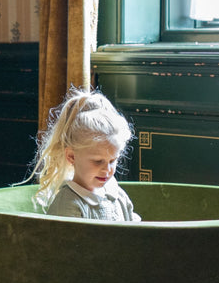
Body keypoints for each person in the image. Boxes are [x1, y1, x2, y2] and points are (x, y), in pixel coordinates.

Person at [27, 87, 141, 221]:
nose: (107, 169)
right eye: (98, 161)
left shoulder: (116, 193)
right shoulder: (69, 204)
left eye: (112, 161)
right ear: (71, 156)